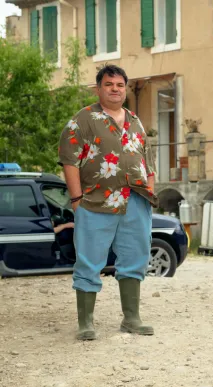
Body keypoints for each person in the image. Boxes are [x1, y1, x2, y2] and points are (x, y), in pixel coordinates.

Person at [58, 64, 158, 341]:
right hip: (95, 201)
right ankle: (85, 323)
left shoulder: (136, 121)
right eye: (109, 84)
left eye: (120, 85)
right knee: (89, 260)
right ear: (98, 88)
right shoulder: (83, 120)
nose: (115, 89)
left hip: (136, 201)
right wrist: (76, 199)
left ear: (125, 89)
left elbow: (148, 163)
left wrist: (150, 191)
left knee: (135, 257)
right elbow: (69, 160)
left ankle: (131, 319)